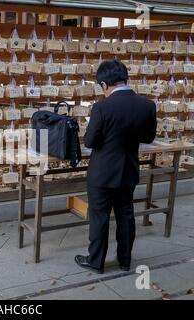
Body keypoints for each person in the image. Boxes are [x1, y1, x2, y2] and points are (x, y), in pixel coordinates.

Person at [75, 59, 157, 274]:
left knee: (99, 217)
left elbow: (90, 141)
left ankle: (96, 261)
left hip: (102, 173)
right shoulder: (147, 105)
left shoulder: (102, 107)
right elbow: (148, 137)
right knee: (126, 215)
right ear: (125, 79)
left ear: (104, 84)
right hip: (128, 170)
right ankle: (125, 260)